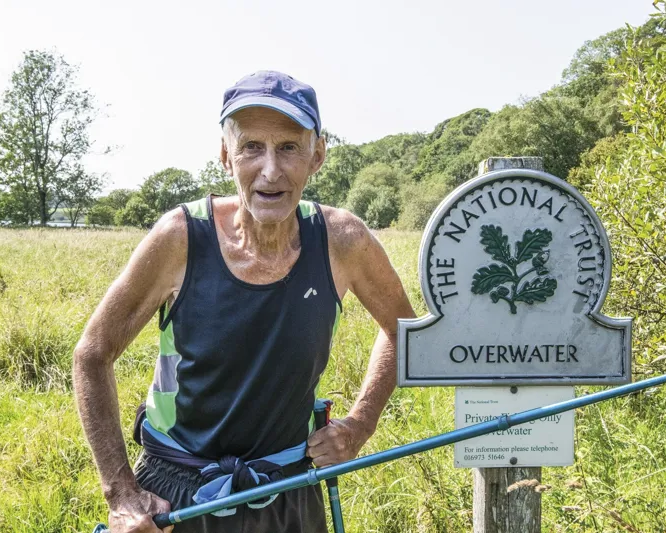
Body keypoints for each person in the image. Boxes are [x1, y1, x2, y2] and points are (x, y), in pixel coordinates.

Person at [73, 70, 415, 533]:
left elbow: (403, 331)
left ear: (317, 155)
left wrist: (359, 425)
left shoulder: (342, 241)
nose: (270, 171)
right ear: (225, 156)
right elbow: (92, 354)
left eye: (289, 147)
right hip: (176, 497)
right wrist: (121, 493)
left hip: (288, 490)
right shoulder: (181, 238)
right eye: (252, 146)